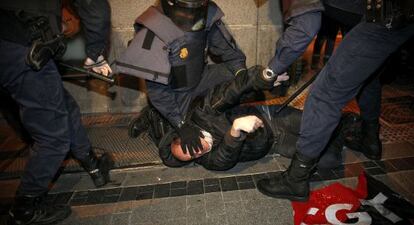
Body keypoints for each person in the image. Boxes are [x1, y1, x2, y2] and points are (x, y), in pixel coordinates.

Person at [257, 0, 414, 202]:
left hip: (387, 16)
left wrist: (270, 72)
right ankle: (370, 140)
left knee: (325, 94)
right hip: (384, 14)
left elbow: (306, 27)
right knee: (366, 76)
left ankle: (296, 179)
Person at [0, 0, 114, 224]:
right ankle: (25, 208)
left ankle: (91, 163)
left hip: (12, 43)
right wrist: (95, 54)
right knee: (54, 136)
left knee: (64, 105)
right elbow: (95, 6)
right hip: (21, 46)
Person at [155, 67, 345, 171]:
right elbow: (224, 160)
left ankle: (344, 126)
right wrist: (234, 131)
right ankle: (335, 138)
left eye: (192, 148)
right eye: (193, 157)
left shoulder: (203, 114)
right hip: (275, 143)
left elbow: (230, 91)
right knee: (330, 160)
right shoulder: (207, 160)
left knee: (326, 125)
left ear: (191, 134)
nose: (198, 153)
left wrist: (263, 78)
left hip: (273, 118)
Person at [125, 0, 247, 158]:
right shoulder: (151, 29)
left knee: (242, 79)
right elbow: (157, 89)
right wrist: (181, 125)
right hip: (174, 89)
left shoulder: (206, 12)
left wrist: (244, 77)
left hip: (200, 76)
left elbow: (229, 51)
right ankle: (153, 115)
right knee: (178, 148)